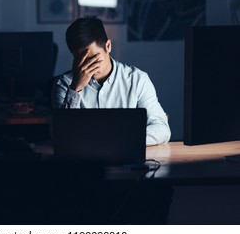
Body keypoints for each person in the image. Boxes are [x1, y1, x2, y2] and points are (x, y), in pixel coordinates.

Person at [51, 16, 171, 146]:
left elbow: (162, 129)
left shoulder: (137, 79)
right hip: (84, 162)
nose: (88, 66)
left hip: (127, 156)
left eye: (94, 59)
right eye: (81, 60)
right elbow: (62, 135)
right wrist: (75, 88)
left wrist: (121, 139)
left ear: (108, 46)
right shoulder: (63, 84)